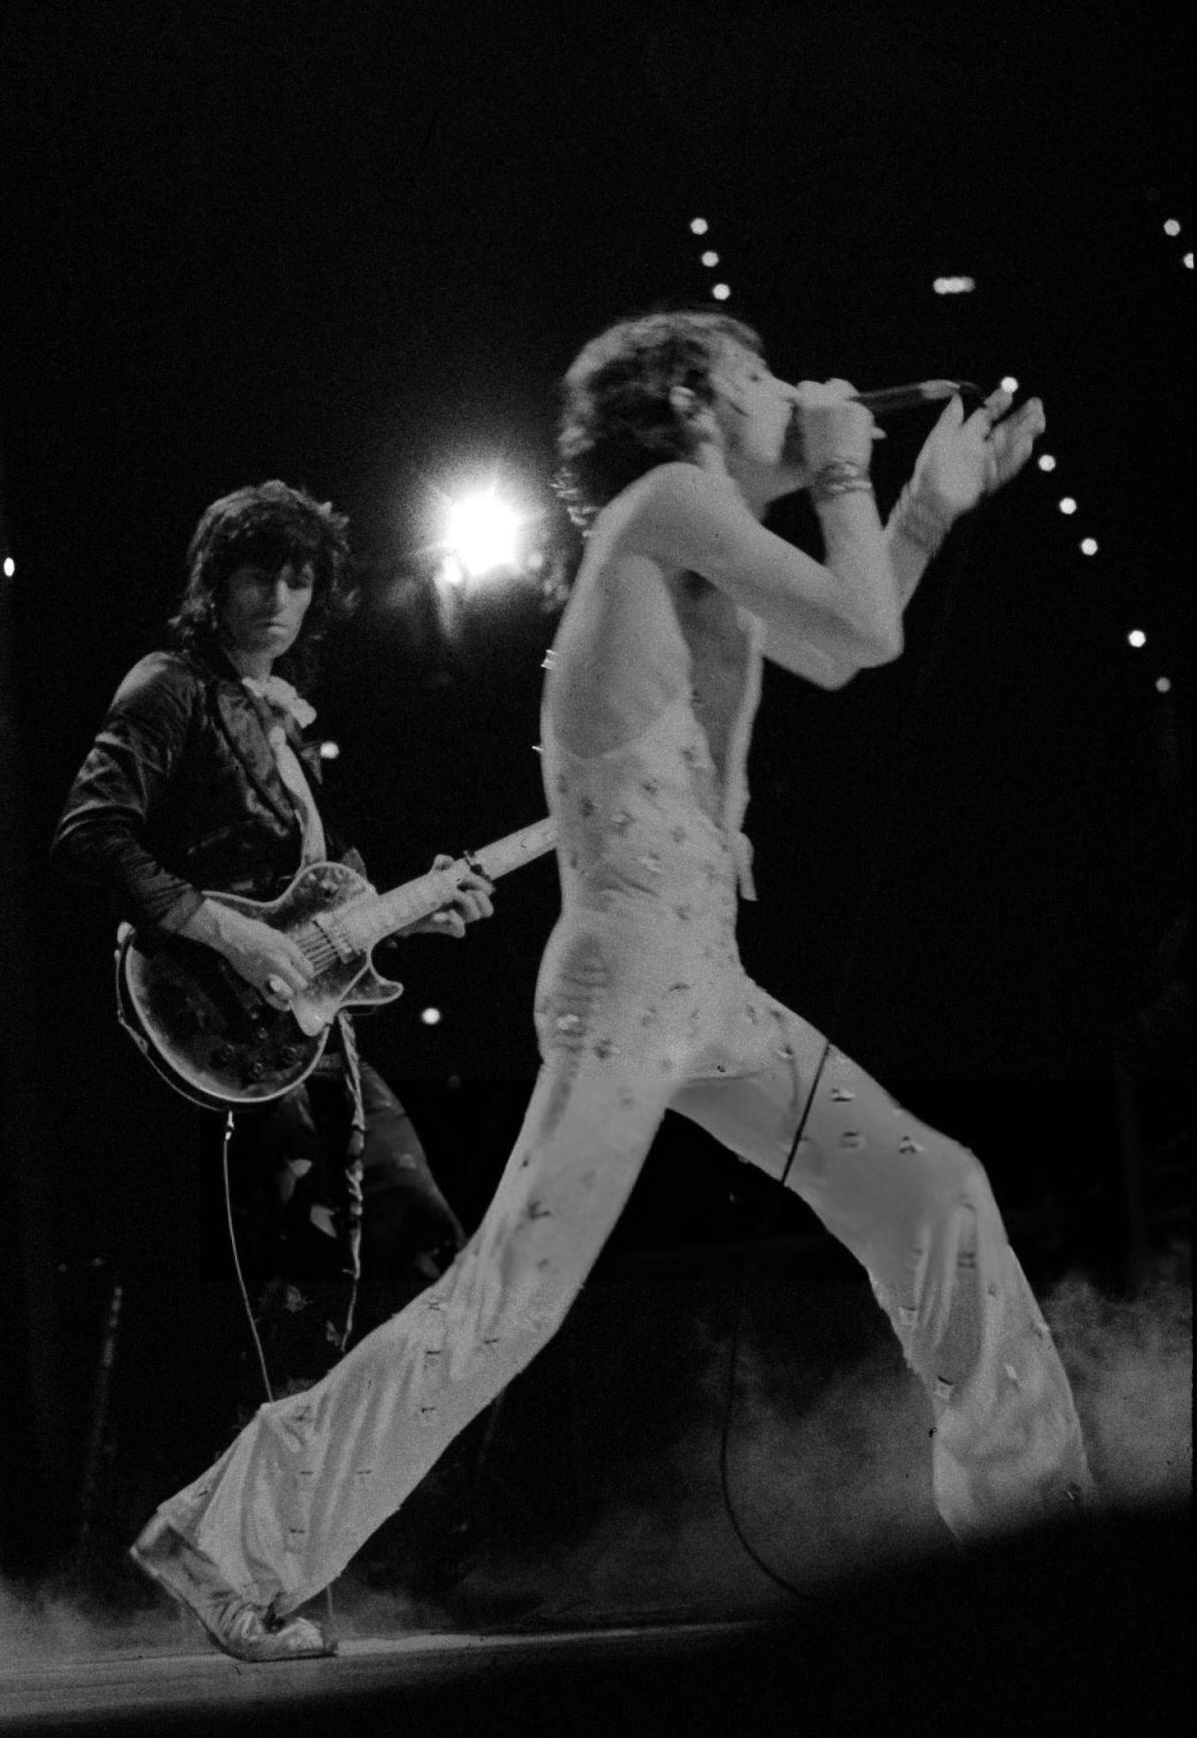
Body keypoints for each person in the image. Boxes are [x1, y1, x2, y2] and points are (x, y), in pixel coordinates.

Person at [128, 313, 1094, 1661]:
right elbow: (865, 630)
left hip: (700, 984)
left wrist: (920, 500)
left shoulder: (691, 529)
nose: (797, 388)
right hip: (637, 978)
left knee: (930, 1190)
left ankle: (1030, 1523)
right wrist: (843, 472)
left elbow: (829, 640)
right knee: (508, 1302)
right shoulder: (669, 498)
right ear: (693, 404)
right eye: (762, 375)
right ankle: (231, 1541)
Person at [52, 481, 495, 1399]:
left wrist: (411, 918)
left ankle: (384, 1516)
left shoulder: (276, 714)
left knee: (432, 1261)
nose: (282, 600)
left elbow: (309, 916)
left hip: (315, 1034)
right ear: (214, 580)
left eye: (301, 581)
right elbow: (88, 835)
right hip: (231, 1031)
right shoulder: (170, 685)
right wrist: (231, 939)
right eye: (262, 575)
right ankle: (278, 1525)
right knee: (297, 1315)